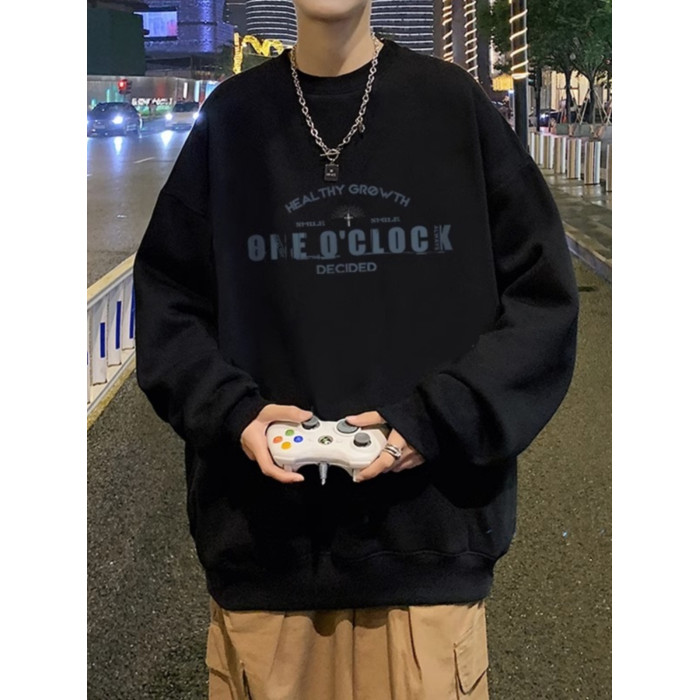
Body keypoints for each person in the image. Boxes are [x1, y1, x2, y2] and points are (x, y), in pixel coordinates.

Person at [133, 1, 579, 698]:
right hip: (265, 559)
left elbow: (543, 300)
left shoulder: (452, 107)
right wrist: (235, 413)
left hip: (429, 557)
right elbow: (168, 306)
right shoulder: (233, 119)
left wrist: (435, 420)